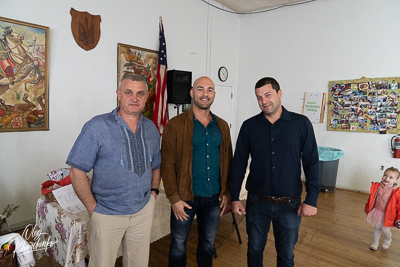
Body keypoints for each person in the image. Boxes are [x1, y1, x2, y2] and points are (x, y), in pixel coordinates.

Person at [66, 73, 161, 267]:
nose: (134, 98)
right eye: (128, 92)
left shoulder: (151, 128)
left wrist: (153, 194)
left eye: (140, 93)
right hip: (107, 213)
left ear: (146, 97)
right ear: (118, 94)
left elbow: (156, 164)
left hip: (143, 210)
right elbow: (77, 171)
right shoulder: (97, 126)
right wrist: (93, 209)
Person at [230, 77, 320, 267]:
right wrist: (235, 197)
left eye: (268, 94)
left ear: (279, 93)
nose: (264, 101)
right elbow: (238, 163)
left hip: (289, 205)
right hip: (257, 202)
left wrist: (311, 199)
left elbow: (311, 162)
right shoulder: (249, 126)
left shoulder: (301, 124)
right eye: (259, 97)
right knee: (254, 250)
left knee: (286, 256)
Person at [161, 76, 232, 267]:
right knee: (178, 245)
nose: (205, 94)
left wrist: (227, 193)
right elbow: (166, 165)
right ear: (192, 93)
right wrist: (174, 198)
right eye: (200, 89)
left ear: (214, 95)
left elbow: (228, 162)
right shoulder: (174, 125)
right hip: (185, 198)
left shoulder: (222, 127)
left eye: (209, 90)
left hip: (213, 198)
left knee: (208, 244)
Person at [365, 167, 400, 251]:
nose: (387, 178)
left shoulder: (397, 192)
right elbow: (371, 198)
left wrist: (399, 218)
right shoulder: (377, 186)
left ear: (396, 181)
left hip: (388, 215)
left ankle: (388, 239)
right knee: (377, 227)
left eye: (391, 177)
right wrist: (367, 207)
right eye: (385, 175)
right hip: (377, 211)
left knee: (385, 229)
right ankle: (375, 242)